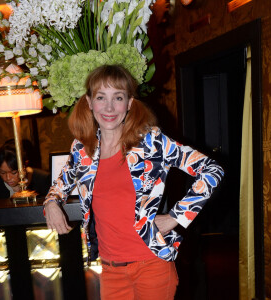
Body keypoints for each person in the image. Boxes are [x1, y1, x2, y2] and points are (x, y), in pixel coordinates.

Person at [43, 65, 224, 300]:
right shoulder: (82, 148)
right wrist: (51, 204)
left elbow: (212, 170)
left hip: (152, 265)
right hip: (111, 269)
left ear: (129, 103)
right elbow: (59, 186)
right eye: (101, 97)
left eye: (118, 97)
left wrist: (176, 217)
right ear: (89, 102)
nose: (109, 107)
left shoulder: (151, 142)